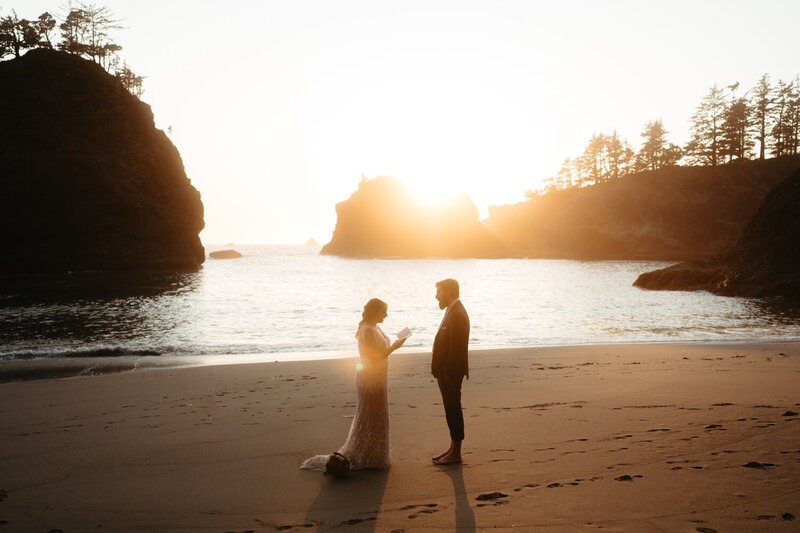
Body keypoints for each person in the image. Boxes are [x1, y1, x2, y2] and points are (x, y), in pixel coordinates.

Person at [301, 298, 406, 471]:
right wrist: (395, 347)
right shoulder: (367, 330)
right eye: (383, 311)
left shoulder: (375, 327)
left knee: (377, 416)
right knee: (369, 416)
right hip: (370, 378)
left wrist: (394, 344)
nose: (386, 315)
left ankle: (375, 454)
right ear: (374, 311)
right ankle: (366, 455)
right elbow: (373, 358)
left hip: (379, 378)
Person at [431, 278, 470, 465]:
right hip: (447, 373)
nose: (436, 296)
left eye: (439, 292)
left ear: (448, 292)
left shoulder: (457, 314)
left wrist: (446, 372)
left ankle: (456, 454)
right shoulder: (452, 310)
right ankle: (452, 449)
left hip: (451, 374)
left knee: (453, 410)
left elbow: (456, 349)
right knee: (450, 410)